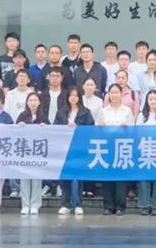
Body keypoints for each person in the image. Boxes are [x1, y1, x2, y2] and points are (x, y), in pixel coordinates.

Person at [56, 87, 94, 215]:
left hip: (79, 148)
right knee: (65, 177)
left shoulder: (85, 112)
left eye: (75, 95)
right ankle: (65, 204)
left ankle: (78, 203)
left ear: (79, 97)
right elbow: (55, 129)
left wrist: (78, 127)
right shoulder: (61, 112)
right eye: (71, 95)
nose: (73, 98)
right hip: (64, 148)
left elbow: (90, 129)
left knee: (78, 177)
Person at [98, 84, 135, 215]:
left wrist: (125, 128)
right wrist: (100, 126)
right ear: (108, 95)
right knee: (107, 177)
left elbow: (132, 129)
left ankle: (120, 206)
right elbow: (96, 130)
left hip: (122, 147)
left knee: (120, 178)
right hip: (107, 147)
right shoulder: (103, 111)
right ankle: (108, 206)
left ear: (121, 94)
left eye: (116, 92)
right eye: (112, 93)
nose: (114, 95)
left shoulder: (127, 111)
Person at [15, 92, 49, 216]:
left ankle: (35, 204)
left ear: (39, 103)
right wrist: (19, 126)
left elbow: (51, 133)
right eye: (31, 100)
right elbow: (14, 132)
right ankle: (25, 205)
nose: (33, 103)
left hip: (38, 151)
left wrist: (45, 127)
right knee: (24, 178)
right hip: (24, 150)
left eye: (35, 100)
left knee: (36, 178)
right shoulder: (22, 116)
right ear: (27, 102)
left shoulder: (43, 117)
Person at [136, 90, 156, 216]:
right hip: (145, 150)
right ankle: (144, 205)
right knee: (144, 179)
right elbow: (137, 132)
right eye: (150, 99)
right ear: (147, 101)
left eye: (155, 99)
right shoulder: (142, 116)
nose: (153, 101)